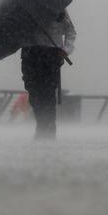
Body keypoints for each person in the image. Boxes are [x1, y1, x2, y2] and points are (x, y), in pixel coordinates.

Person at [21, 9, 76, 140]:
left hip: (50, 55)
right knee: (34, 93)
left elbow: (70, 31)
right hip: (31, 53)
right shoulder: (25, 10)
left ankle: (48, 129)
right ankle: (42, 126)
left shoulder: (58, 8)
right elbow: (19, 33)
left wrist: (66, 49)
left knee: (48, 93)